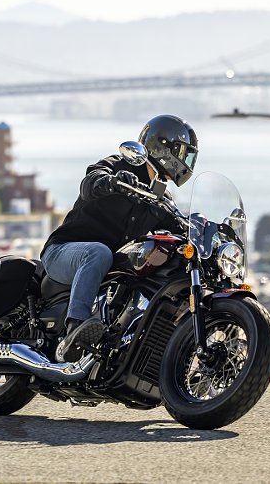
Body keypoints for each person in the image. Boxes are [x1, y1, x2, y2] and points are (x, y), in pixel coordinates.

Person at [40, 114, 199, 362]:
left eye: (189, 155)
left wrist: (201, 232)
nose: (185, 160)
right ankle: (75, 331)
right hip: (63, 251)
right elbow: (90, 181)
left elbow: (179, 229)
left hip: (106, 267)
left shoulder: (160, 200)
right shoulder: (119, 166)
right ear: (162, 146)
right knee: (99, 252)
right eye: (182, 152)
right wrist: (112, 182)